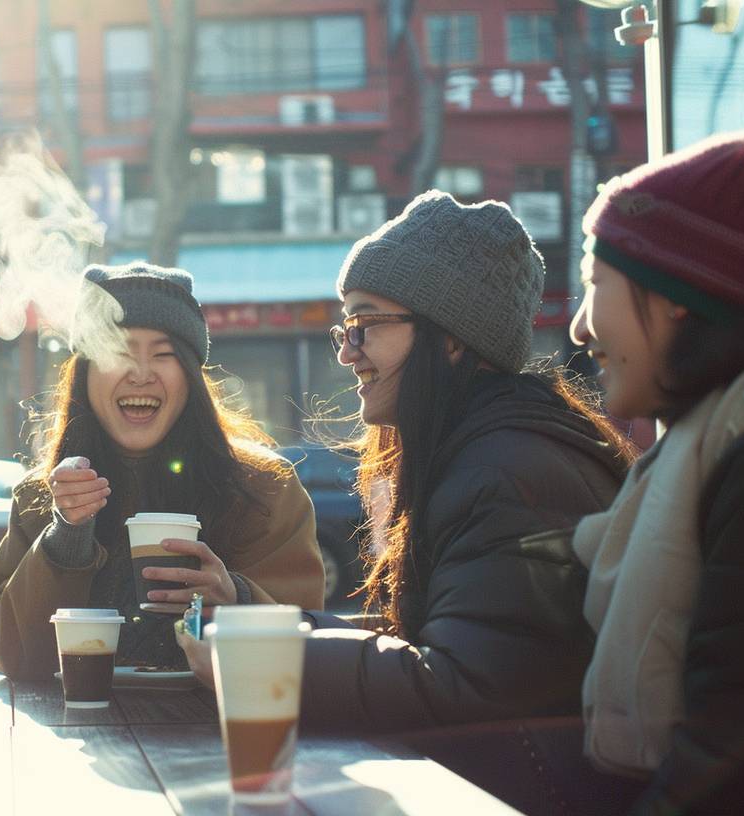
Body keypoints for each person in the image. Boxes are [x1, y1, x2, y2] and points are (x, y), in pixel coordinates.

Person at [178, 192, 634, 737]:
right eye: (343, 329)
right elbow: (428, 645)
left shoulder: (507, 472)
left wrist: (264, 667)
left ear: (452, 340)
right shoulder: (482, 452)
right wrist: (246, 615)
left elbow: (461, 684)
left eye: (364, 323)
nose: (347, 352)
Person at [565, 125, 744, 814]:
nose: (578, 327)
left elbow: (740, 777)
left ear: (678, 299)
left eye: (596, 282)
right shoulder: (714, 450)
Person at [0, 263, 325, 678]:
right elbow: (11, 656)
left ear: (191, 377)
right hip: (80, 733)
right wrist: (66, 536)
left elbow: (307, 643)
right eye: (118, 352)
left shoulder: (263, 487)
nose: (141, 374)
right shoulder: (45, 495)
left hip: (216, 730)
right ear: (85, 375)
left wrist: (236, 597)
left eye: (164, 355)